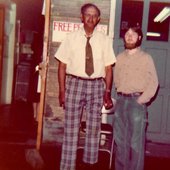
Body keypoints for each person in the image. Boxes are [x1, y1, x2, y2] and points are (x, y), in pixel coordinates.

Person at [55, 3, 116, 170]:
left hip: (96, 86)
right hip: (74, 84)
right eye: (87, 15)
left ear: (98, 19)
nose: (90, 18)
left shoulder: (104, 40)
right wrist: (62, 91)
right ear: (81, 17)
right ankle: (67, 166)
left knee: (93, 128)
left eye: (94, 15)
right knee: (71, 128)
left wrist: (107, 93)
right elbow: (62, 66)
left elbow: (109, 68)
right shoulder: (71, 38)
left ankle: (89, 165)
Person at [113, 23, 159, 170]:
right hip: (120, 102)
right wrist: (119, 94)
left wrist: (140, 100)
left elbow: (154, 82)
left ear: (139, 38)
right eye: (127, 34)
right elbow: (116, 79)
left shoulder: (146, 58)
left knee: (135, 144)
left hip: (136, 104)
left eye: (133, 34)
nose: (129, 36)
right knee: (120, 142)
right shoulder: (119, 58)